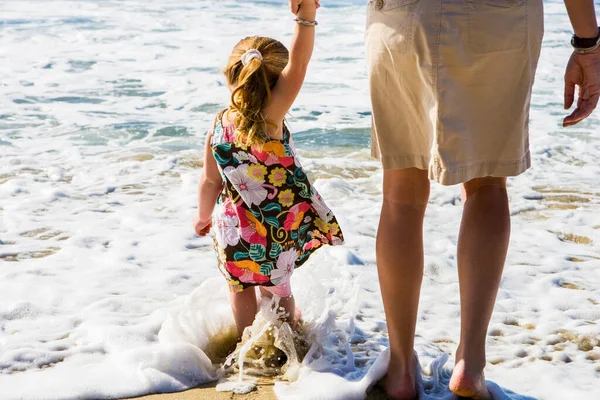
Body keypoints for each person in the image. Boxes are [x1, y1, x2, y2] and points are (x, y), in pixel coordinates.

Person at [289, 0, 599, 399]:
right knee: (487, 185)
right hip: (496, 18)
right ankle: (470, 362)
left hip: (400, 18)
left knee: (401, 196)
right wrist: (588, 44)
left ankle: (400, 367)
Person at [193, 0, 343, 339]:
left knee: (239, 287)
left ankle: (247, 344)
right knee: (279, 289)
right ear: (275, 81)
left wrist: (202, 218)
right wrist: (306, 18)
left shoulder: (218, 123)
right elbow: (300, 64)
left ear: (231, 76)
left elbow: (208, 181)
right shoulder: (270, 118)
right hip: (275, 229)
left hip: (232, 228)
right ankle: (289, 338)